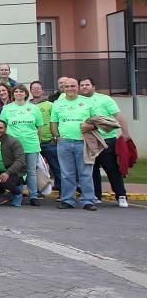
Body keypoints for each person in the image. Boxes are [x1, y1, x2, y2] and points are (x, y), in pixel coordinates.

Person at [80, 77, 130, 208]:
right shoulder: (79, 101)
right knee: (92, 169)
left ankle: (121, 195)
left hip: (107, 140)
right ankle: (96, 195)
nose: (84, 87)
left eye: (87, 85)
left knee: (112, 168)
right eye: (82, 85)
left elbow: (118, 116)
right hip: (89, 140)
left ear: (93, 86)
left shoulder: (105, 99)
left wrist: (125, 133)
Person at [51, 78, 98, 211]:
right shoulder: (57, 104)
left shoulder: (88, 102)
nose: (70, 88)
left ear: (78, 87)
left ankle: (88, 200)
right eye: (67, 86)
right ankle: (68, 200)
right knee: (66, 173)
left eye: (73, 86)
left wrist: (91, 126)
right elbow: (54, 122)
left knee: (86, 173)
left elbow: (97, 122)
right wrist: (57, 136)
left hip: (84, 142)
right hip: (64, 142)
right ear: (63, 88)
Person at [0, 84, 45, 206]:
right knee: (16, 172)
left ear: (26, 94)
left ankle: (33, 196)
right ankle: (17, 195)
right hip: (13, 147)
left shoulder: (34, 108)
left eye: (21, 91)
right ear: (13, 94)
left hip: (31, 144)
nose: (19, 93)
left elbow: (40, 127)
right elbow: (2, 127)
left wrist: (38, 141)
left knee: (31, 171)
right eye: (16, 91)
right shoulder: (7, 108)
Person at [30, 80, 60, 192]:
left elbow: (56, 121)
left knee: (56, 167)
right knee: (34, 169)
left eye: (38, 88)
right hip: (33, 142)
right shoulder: (27, 106)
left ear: (42, 90)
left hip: (49, 141)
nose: (36, 90)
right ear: (30, 90)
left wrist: (56, 136)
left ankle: (62, 192)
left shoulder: (50, 105)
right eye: (34, 88)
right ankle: (37, 191)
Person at [0, 119, 26, 207]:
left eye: (1, 128)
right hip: (0, 170)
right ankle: (1, 193)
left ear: (5, 129)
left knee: (5, 180)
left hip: (16, 172)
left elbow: (20, 160)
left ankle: (17, 193)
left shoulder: (13, 141)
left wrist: (7, 172)